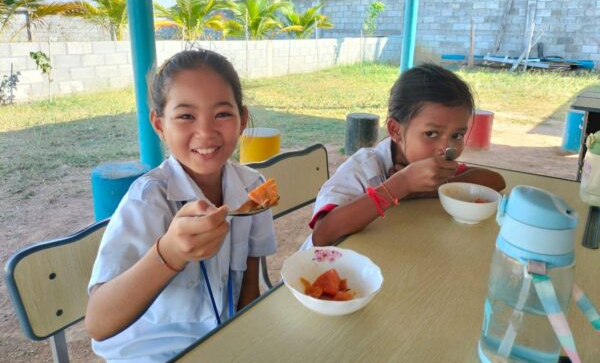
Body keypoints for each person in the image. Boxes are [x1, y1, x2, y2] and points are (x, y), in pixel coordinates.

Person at [86, 49, 276, 362]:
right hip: (151, 353)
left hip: (222, 342)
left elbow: (249, 289)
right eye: (186, 116)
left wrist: (246, 344)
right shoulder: (148, 202)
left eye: (222, 114)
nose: (206, 132)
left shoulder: (253, 190)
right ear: (159, 125)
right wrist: (170, 253)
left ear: (242, 119)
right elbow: (98, 322)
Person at [306, 63, 506, 248]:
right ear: (395, 130)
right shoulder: (364, 168)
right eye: (431, 134)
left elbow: (494, 180)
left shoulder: (436, 166)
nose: (447, 148)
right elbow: (322, 234)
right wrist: (401, 184)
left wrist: (424, 191)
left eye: (457, 135)